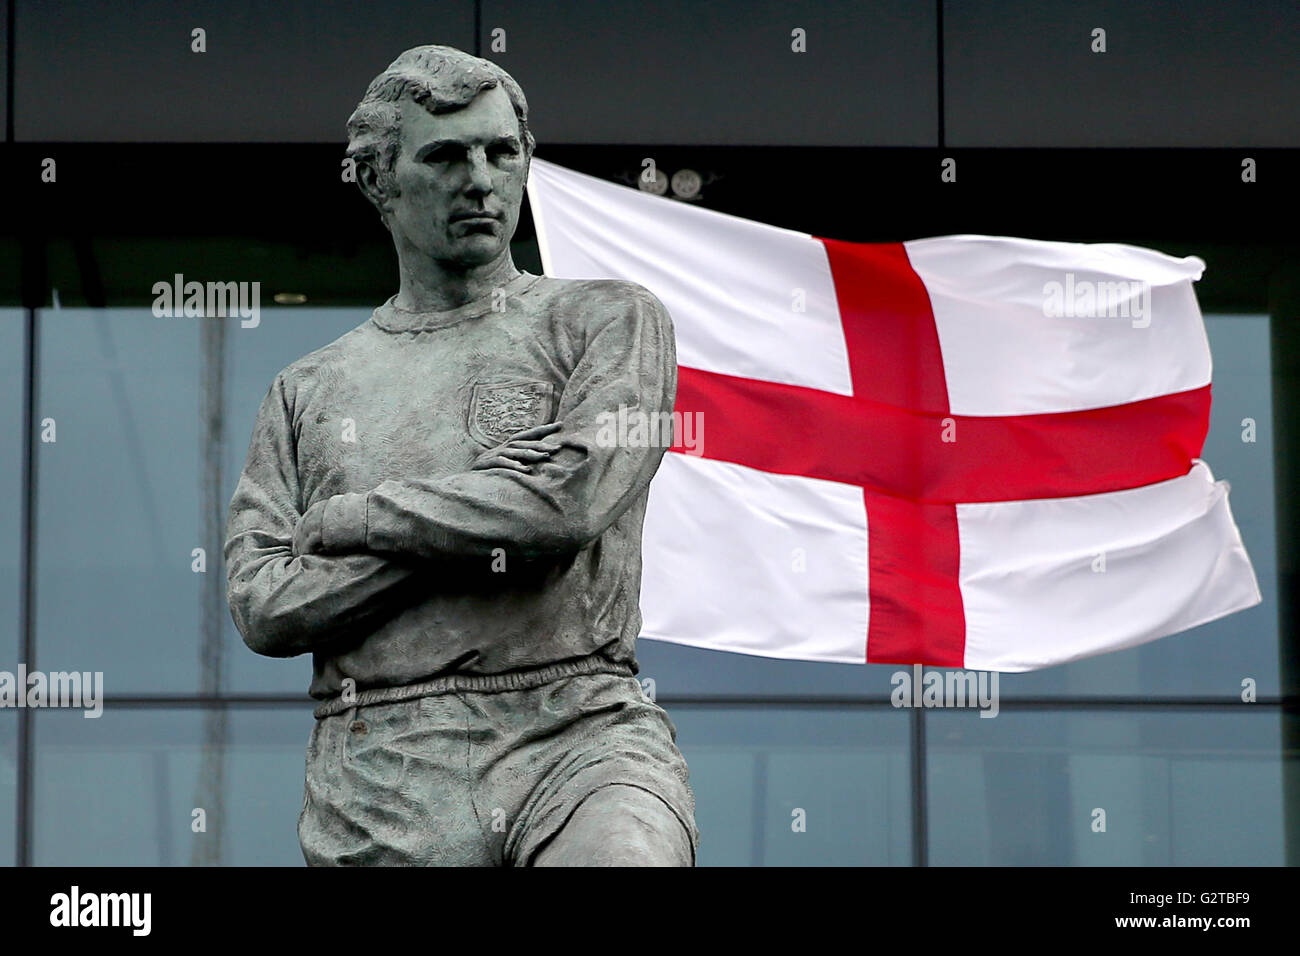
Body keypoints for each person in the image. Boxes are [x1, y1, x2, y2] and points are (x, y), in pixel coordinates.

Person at [224, 45, 697, 866]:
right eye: (445, 155)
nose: (481, 179)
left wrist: (359, 520)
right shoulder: (309, 389)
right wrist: (485, 520)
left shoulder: (607, 321)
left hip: (578, 730)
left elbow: (567, 503)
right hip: (382, 766)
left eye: (501, 151)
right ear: (377, 181)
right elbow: (265, 603)